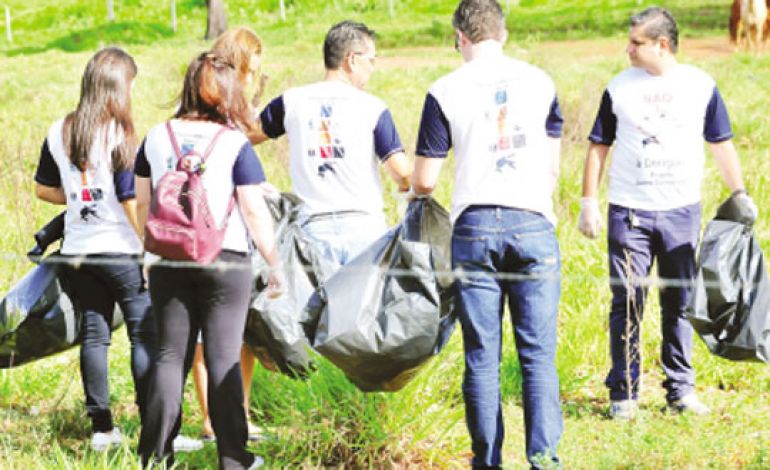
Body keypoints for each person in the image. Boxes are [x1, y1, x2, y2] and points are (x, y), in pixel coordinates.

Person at [578, 6, 757, 420]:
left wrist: (740, 191)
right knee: (628, 299)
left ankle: (680, 389)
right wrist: (589, 202)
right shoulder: (619, 88)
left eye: (636, 43)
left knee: (679, 302)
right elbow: (598, 146)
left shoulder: (700, 85)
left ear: (662, 44)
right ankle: (623, 392)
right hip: (629, 212)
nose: (628, 49)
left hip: (681, 211)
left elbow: (721, 142)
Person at [411, 1, 563, 467]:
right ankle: (544, 458)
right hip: (533, 220)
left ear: (460, 36)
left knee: (482, 354)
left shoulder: (444, 89)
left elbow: (426, 180)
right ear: (504, 32)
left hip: (474, 226)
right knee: (537, 352)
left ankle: (487, 459)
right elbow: (554, 163)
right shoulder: (541, 81)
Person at [136, 52, 281, 469]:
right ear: (229, 93)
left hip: (168, 259)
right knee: (222, 356)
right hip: (226, 259)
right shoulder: (234, 142)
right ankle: (233, 458)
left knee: (169, 356)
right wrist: (274, 261)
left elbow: (143, 200)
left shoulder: (156, 136)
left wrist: (151, 249)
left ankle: (154, 456)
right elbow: (252, 210)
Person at [33, 47, 156, 451]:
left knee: (95, 334)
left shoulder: (58, 130)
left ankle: (102, 429)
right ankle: (153, 424)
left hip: (79, 250)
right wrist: (149, 246)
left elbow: (43, 189)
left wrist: (79, 197)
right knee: (142, 334)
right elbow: (128, 198)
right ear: (119, 87)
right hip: (120, 248)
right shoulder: (118, 131)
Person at [253, 20, 412, 268]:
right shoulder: (372, 107)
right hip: (364, 227)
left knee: (316, 306)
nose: (372, 68)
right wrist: (406, 188)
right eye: (371, 60)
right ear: (351, 60)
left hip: (311, 229)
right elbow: (401, 171)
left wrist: (254, 181)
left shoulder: (291, 101)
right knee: (365, 306)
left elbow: (244, 137)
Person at [190, 26, 269, 443]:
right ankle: (210, 419)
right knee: (209, 334)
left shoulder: (238, 104)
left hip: (237, 228)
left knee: (243, 332)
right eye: (250, 69)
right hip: (207, 229)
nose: (253, 78)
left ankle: (238, 411)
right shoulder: (209, 99)